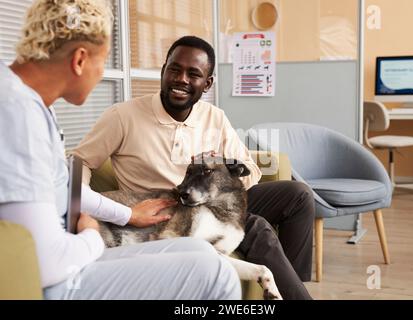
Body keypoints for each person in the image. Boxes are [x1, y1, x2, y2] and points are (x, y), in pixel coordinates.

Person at [0, 0, 241, 300]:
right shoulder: (18, 114)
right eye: (103, 61)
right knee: (217, 274)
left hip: (65, 257)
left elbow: (66, 190)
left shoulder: (31, 104)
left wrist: (127, 214)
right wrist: (90, 234)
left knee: (200, 250)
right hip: (53, 280)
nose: (102, 74)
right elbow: (45, 264)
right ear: (79, 60)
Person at [73, 35, 315, 300]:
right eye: (175, 69)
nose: (182, 80)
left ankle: (294, 286)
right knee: (255, 226)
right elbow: (80, 162)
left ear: (207, 83)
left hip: (215, 198)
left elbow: (249, 171)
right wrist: (87, 204)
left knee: (298, 195)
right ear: (164, 70)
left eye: (193, 74)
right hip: (170, 208)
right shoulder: (123, 116)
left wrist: (220, 170)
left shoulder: (215, 117)